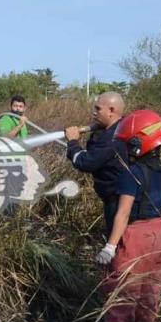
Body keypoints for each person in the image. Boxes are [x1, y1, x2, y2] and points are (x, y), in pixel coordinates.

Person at [95, 110, 161, 322]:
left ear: (136, 144)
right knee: (152, 291)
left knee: (124, 292)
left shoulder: (130, 174)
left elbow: (122, 213)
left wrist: (110, 246)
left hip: (137, 237)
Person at [64, 92, 129, 237]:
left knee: (118, 245)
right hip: (116, 199)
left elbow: (86, 162)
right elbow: (95, 151)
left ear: (111, 111)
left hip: (117, 202)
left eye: (98, 109)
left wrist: (73, 142)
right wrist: (96, 130)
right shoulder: (121, 128)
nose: (94, 112)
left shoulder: (112, 138)